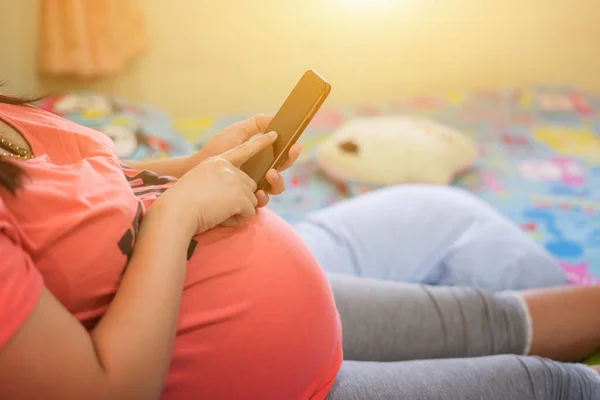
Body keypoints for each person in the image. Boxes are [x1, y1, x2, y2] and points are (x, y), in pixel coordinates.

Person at [0, 93, 597, 400]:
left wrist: (196, 166)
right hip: (249, 376)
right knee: (545, 386)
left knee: (485, 319)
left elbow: (85, 189)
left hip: (256, 314)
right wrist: (179, 216)